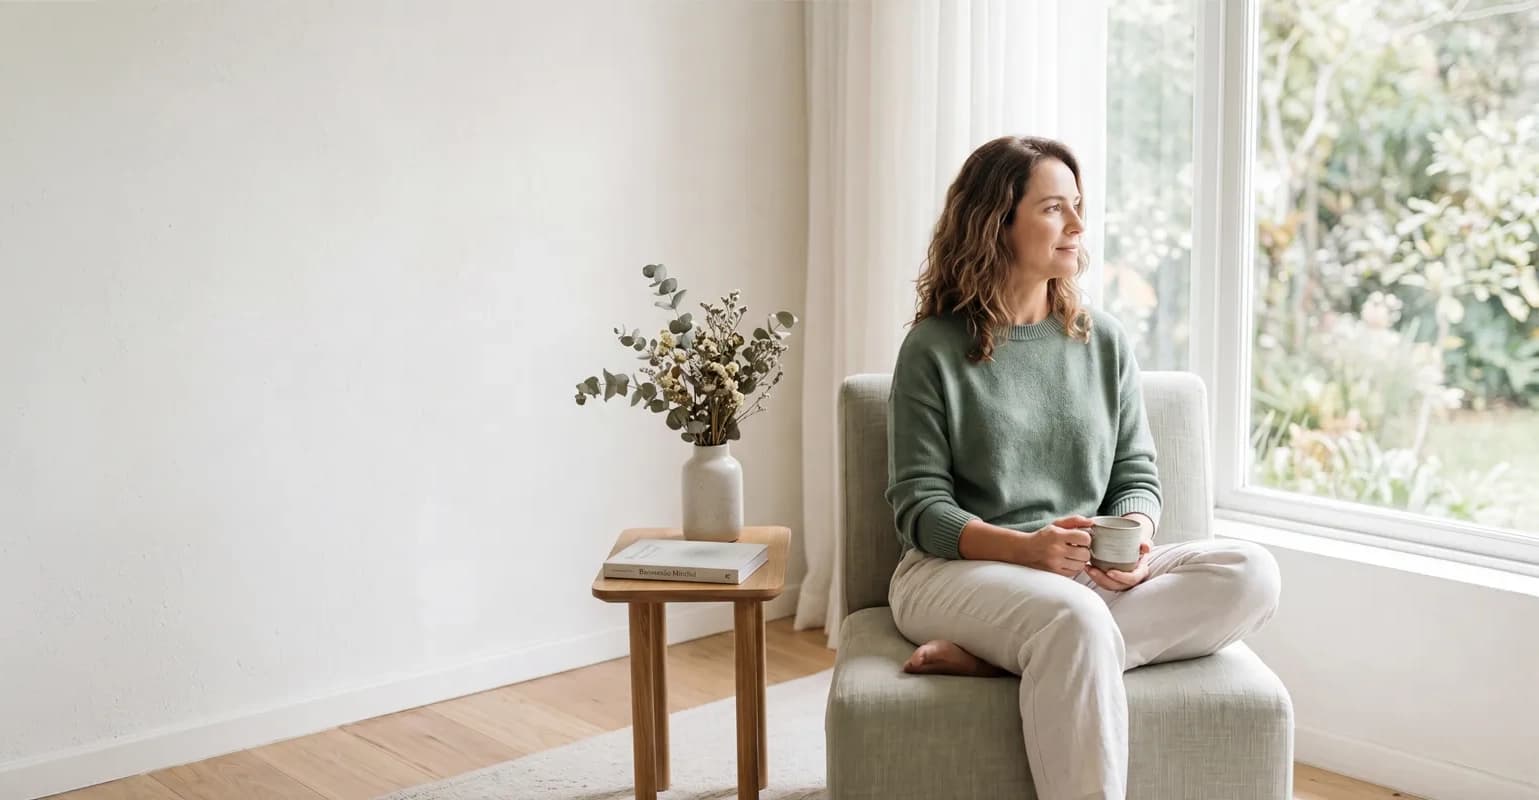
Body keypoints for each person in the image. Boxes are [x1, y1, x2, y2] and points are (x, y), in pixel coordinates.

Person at [884, 135, 1282, 800]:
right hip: (954, 571)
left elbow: (1135, 474)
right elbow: (919, 509)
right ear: (995, 223)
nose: (1076, 224)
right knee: (1074, 621)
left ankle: (1004, 660)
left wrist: (1134, 540)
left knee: (1250, 572)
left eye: (1076, 205)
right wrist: (1025, 550)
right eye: (1052, 208)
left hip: (1079, 576)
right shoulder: (933, 348)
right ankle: (1049, 649)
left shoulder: (1102, 340)